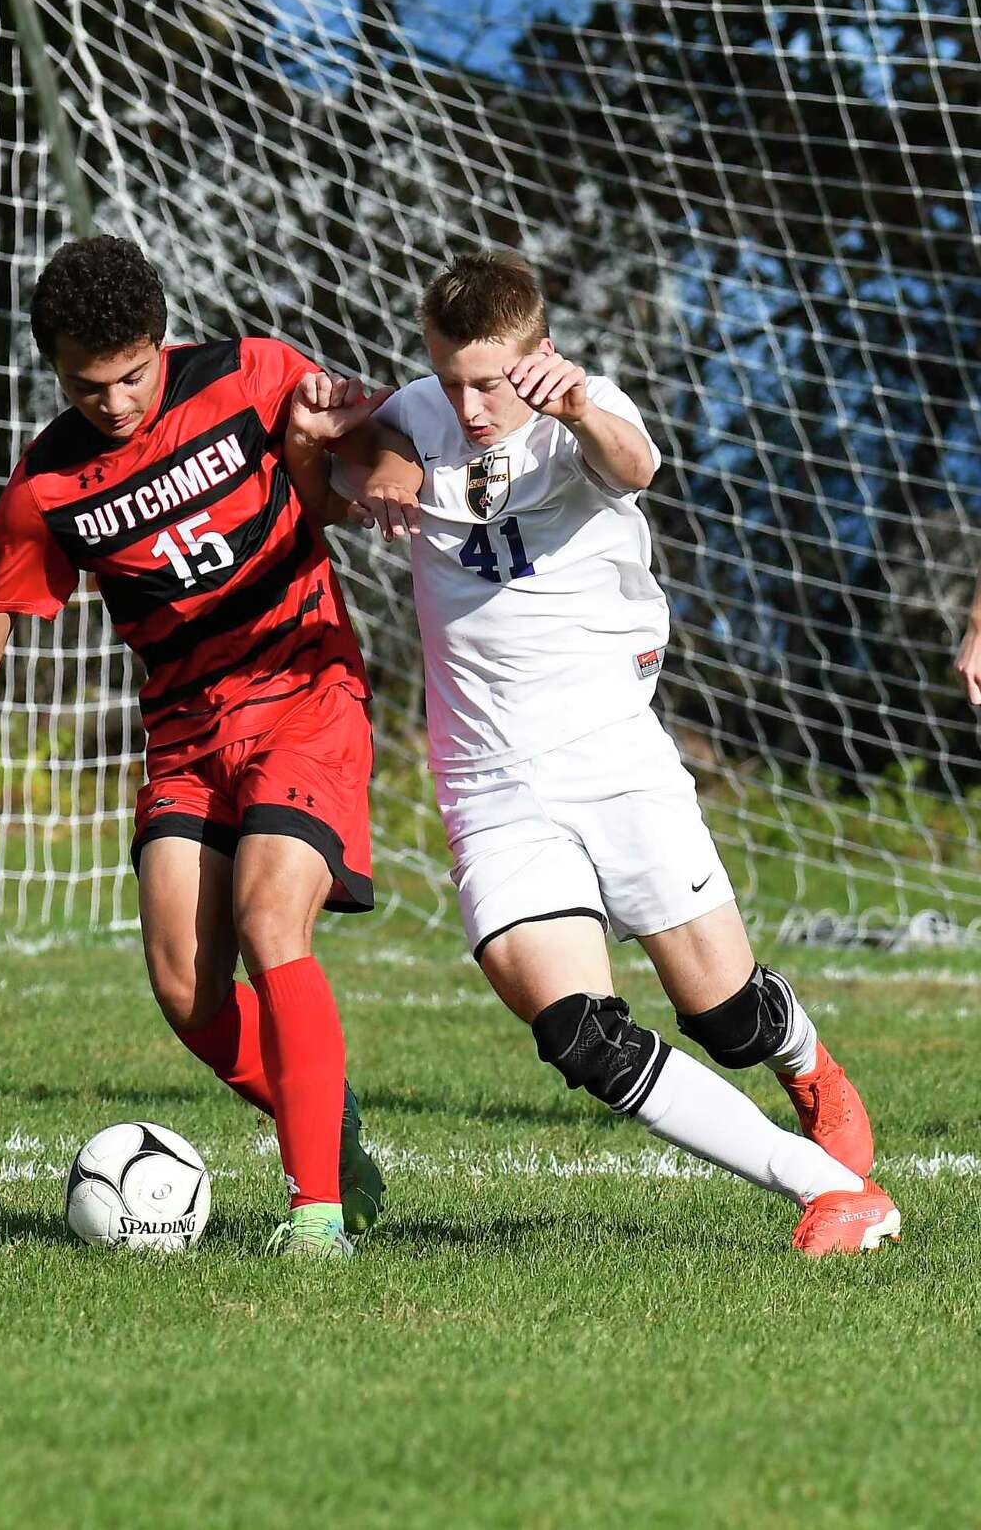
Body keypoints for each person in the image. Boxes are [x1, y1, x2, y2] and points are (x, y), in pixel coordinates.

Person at [309, 250, 899, 1255]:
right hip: (486, 783)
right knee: (577, 1032)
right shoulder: (420, 408)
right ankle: (834, 1191)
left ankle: (809, 1066)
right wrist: (361, 453)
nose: (472, 402)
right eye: (453, 378)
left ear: (538, 354)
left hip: (612, 753)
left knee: (727, 1019)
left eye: (490, 380)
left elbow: (636, 465)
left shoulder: (584, 407)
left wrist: (578, 406)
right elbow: (345, 457)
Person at [0, 234, 392, 1262]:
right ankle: (326, 1119)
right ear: (55, 371)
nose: (120, 402)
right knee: (186, 990)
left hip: (308, 694)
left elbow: (375, 445)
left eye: (135, 374)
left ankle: (317, 1218)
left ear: (161, 342)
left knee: (272, 919)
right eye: (92, 387)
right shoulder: (46, 484)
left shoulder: (252, 374)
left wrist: (359, 455)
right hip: (183, 731)